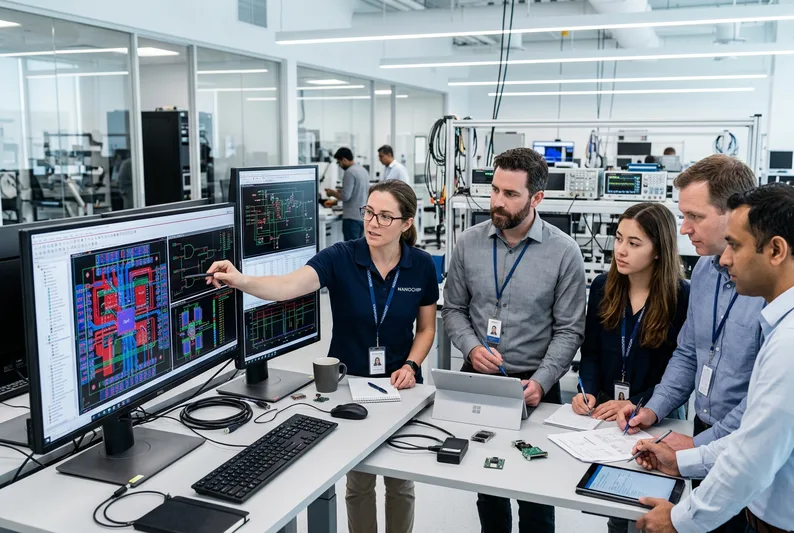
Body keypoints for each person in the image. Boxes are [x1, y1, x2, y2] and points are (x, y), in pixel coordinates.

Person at [207, 180, 438, 533]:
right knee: (359, 481)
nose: (372, 223)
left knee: (400, 482)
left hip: (401, 386)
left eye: (385, 216)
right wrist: (240, 280)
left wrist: (412, 364)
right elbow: (287, 286)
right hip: (349, 387)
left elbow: (426, 329)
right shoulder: (340, 257)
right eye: (369, 212)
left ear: (406, 223)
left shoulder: (421, 265)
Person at [632, 183, 794, 533]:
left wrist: (680, 519)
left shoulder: (788, 344)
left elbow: (751, 459)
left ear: (776, 250)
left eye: (735, 245)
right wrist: (684, 461)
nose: (724, 258)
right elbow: (752, 439)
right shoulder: (781, 327)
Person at [616, 155, 763, 533]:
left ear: (735, 213)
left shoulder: (765, 287)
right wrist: (653, 408)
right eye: (683, 216)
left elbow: (764, 396)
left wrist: (700, 445)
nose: (684, 229)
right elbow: (687, 353)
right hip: (702, 427)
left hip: (745, 442)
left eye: (695, 216)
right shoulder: (703, 272)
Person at [442, 147, 586, 533]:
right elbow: (453, 309)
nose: (497, 202)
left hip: (535, 387)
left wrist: (542, 381)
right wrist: (472, 347)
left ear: (536, 198)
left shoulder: (564, 252)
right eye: (494, 190)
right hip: (481, 381)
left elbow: (570, 329)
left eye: (510, 194)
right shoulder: (468, 243)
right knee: (487, 485)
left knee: (536, 491)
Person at [574, 202, 689, 533]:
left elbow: (680, 372)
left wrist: (637, 403)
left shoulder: (682, 297)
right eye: (618, 238)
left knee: (646, 506)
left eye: (634, 243)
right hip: (608, 415)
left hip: (658, 415)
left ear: (658, 250)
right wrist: (587, 391)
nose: (621, 250)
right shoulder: (602, 286)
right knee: (615, 500)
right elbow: (590, 352)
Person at [325, 147, 370, 241]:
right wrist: (341, 191)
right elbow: (358, 191)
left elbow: (345, 196)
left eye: (339, 162)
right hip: (363, 216)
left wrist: (331, 193)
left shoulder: (349, 172)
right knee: (360, 246)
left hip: (352, 218)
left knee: (350, 248)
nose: (339, 165)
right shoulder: (363, 170)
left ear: (344, 160)